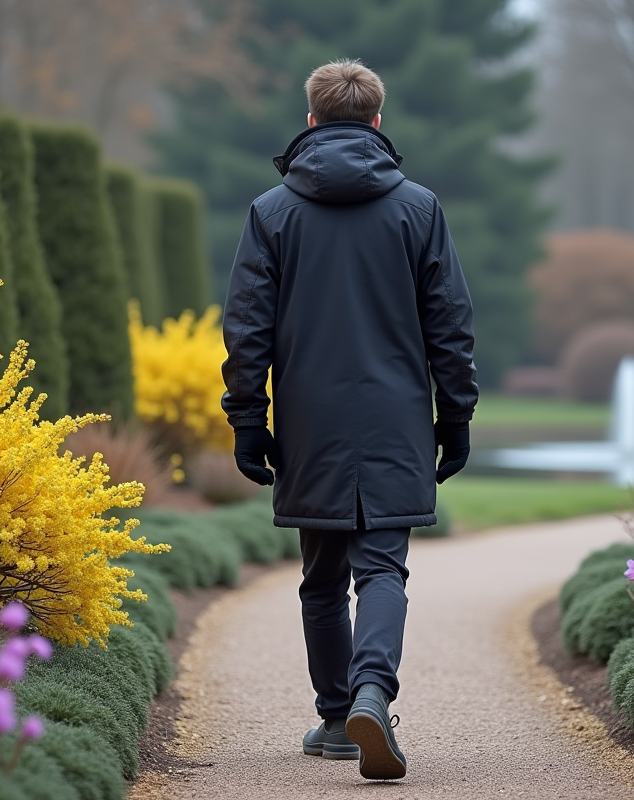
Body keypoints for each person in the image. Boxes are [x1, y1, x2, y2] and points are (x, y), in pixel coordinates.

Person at [220, 58, 478, 781]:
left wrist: (247, 419)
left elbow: (248, 329)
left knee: (323, 577)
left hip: (310, 423)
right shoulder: (419, 209)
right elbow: (450, 326)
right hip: (396, 419)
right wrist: (455, 416)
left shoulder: (271, 214)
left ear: (310, 122)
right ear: (376, 122)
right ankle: (373, 694)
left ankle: (337, 718)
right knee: (383, 570)